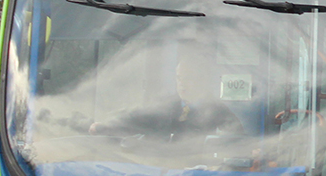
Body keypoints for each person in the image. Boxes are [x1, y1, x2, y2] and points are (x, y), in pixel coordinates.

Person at [89, 50, 242, 140]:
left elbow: (239, 141)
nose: (182, 83)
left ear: (202, 80)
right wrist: (106, 127)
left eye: (188, 78)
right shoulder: (165, 106)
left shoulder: (218, 111)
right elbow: (136, 119)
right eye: (179, 78)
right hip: (160, 174)